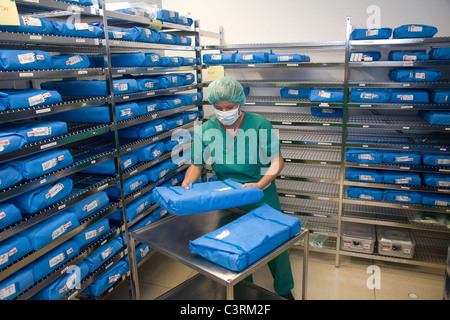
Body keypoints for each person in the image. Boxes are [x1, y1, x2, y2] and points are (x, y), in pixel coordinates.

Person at [181, 76, 295, 300]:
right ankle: (245, 291)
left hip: (261, 191)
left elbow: (277, 161)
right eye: (219, 108)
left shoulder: (259, 124)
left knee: (276, 242)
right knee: (234, 245)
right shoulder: (205, 130)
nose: (224, 112)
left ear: (240, 102)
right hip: (228, 195)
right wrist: (186, 186)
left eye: (230, 107)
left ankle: (284, 289)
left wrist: (260, 185)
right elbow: (196, 165)